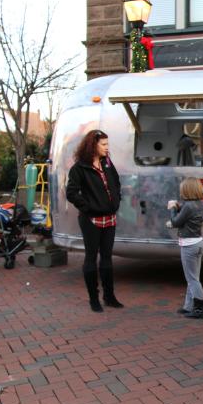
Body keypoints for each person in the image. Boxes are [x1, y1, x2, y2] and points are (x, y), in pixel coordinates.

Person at [66, 130, 124, 312]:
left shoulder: (107, 163)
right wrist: (89, 208)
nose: (107, 148)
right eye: (104, 144)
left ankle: (109, 296)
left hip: (110, 218)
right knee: (91, 257)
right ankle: (94, 299)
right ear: (93, 145)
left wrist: (116, 200)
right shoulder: (79, 168)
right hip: (91, 220)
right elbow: (71, 193)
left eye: (107, 144)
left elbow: (116, 183)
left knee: (107, 258)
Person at [168, 177, 203, 319]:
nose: (181, 191)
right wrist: (179, 207)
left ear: (187, 190)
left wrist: (172, 208)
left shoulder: (189, 206)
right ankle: (188, 306)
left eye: (182, 189)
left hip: (189, 245)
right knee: (194, 277)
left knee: (192, 279)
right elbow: (187, 214)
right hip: (198, 243)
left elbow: (175, 222)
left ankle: (200, 309)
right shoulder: (200, 204)